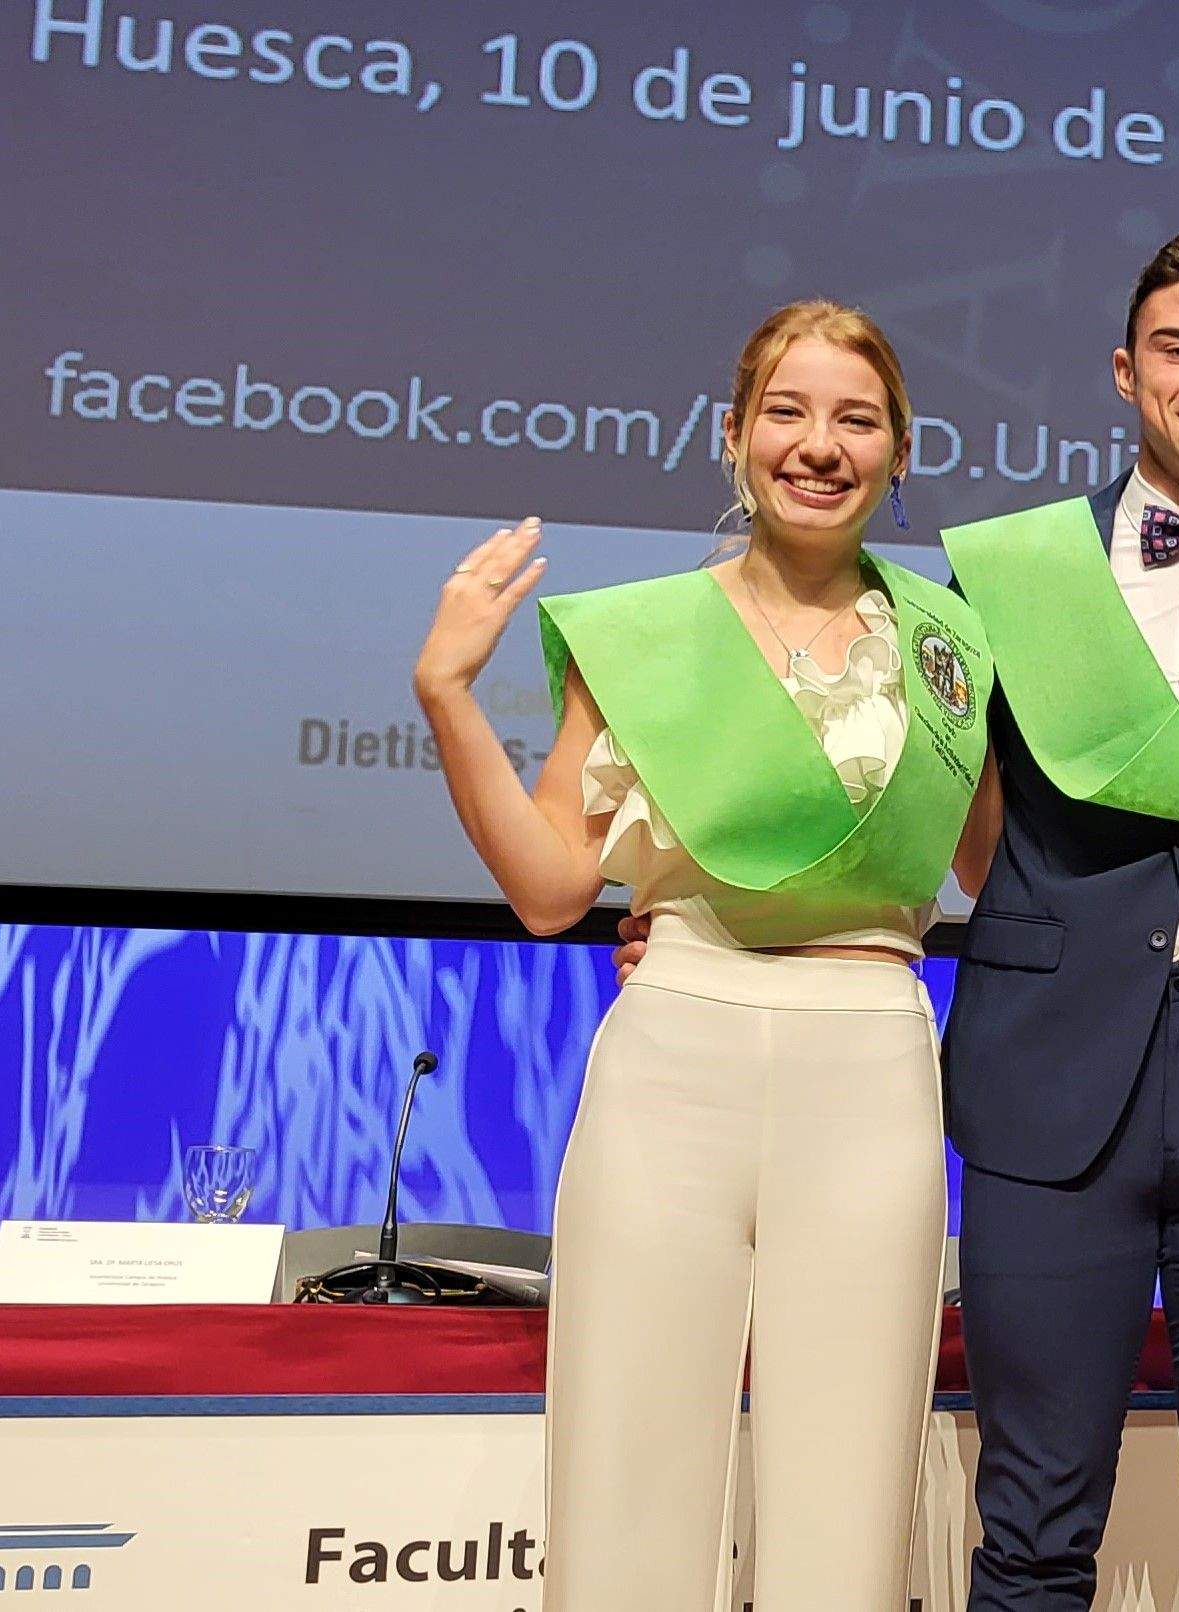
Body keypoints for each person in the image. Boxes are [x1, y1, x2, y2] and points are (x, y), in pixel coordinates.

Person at [613, 230, 1179, 1609]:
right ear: (1124, 374)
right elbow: (878, 780)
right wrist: (716, 913)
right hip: (1047, 1085)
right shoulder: (1000, 582)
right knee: (1032, 1535)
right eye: (1178, 351)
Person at [413, 301, 994, 1608]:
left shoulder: (956, 644)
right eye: (785, 413)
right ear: (732, 437)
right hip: (673, 1047)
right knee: (626, 1476)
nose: (818, 445)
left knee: (846, 1509)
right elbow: (556, 885)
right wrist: (448, 696)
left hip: (872, 1060)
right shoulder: (649, 638)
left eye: (856, 419)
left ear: (901, 451)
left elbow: (992, 871)